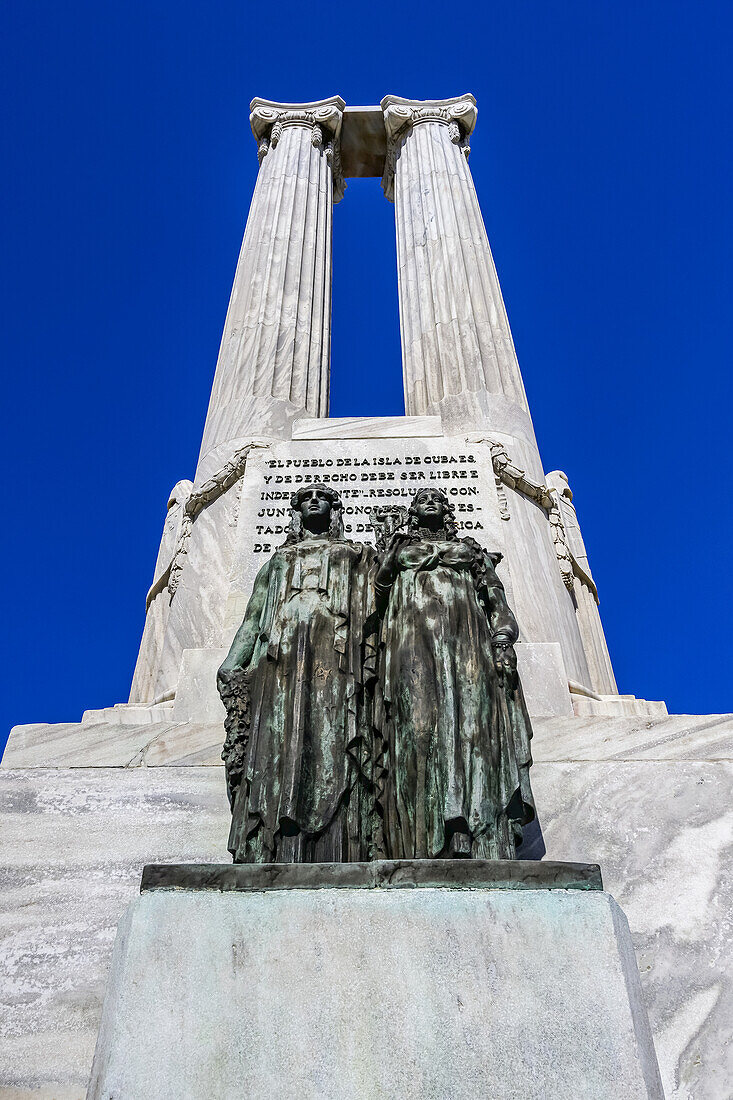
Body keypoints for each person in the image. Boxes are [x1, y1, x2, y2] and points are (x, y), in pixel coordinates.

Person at [217, 484, 376, 863]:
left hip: (338, 662)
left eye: (322, 497)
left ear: (335, 510)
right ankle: (276, 841)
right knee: (279, 744)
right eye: (306, 498)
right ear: (297, 511)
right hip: (281, 661)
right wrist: (232, 662)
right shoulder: (276, 562)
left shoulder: (353, 556)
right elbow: (253, 620)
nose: (315, 501)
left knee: (335, 739)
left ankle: (341, 842)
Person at [373, 486, 535, 859]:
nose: (430, 501)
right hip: (412, 642)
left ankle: (478, 831)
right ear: (413, 510)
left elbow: (496, 599)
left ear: (447, 509)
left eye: (437, 498)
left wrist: (503, 640)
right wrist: (391, 551)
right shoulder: (399, 546)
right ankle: (422, 836)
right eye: (422, 499)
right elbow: (379, 591)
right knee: (418, 729)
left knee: (474, 729)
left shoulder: (471, 550)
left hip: (468, 641)